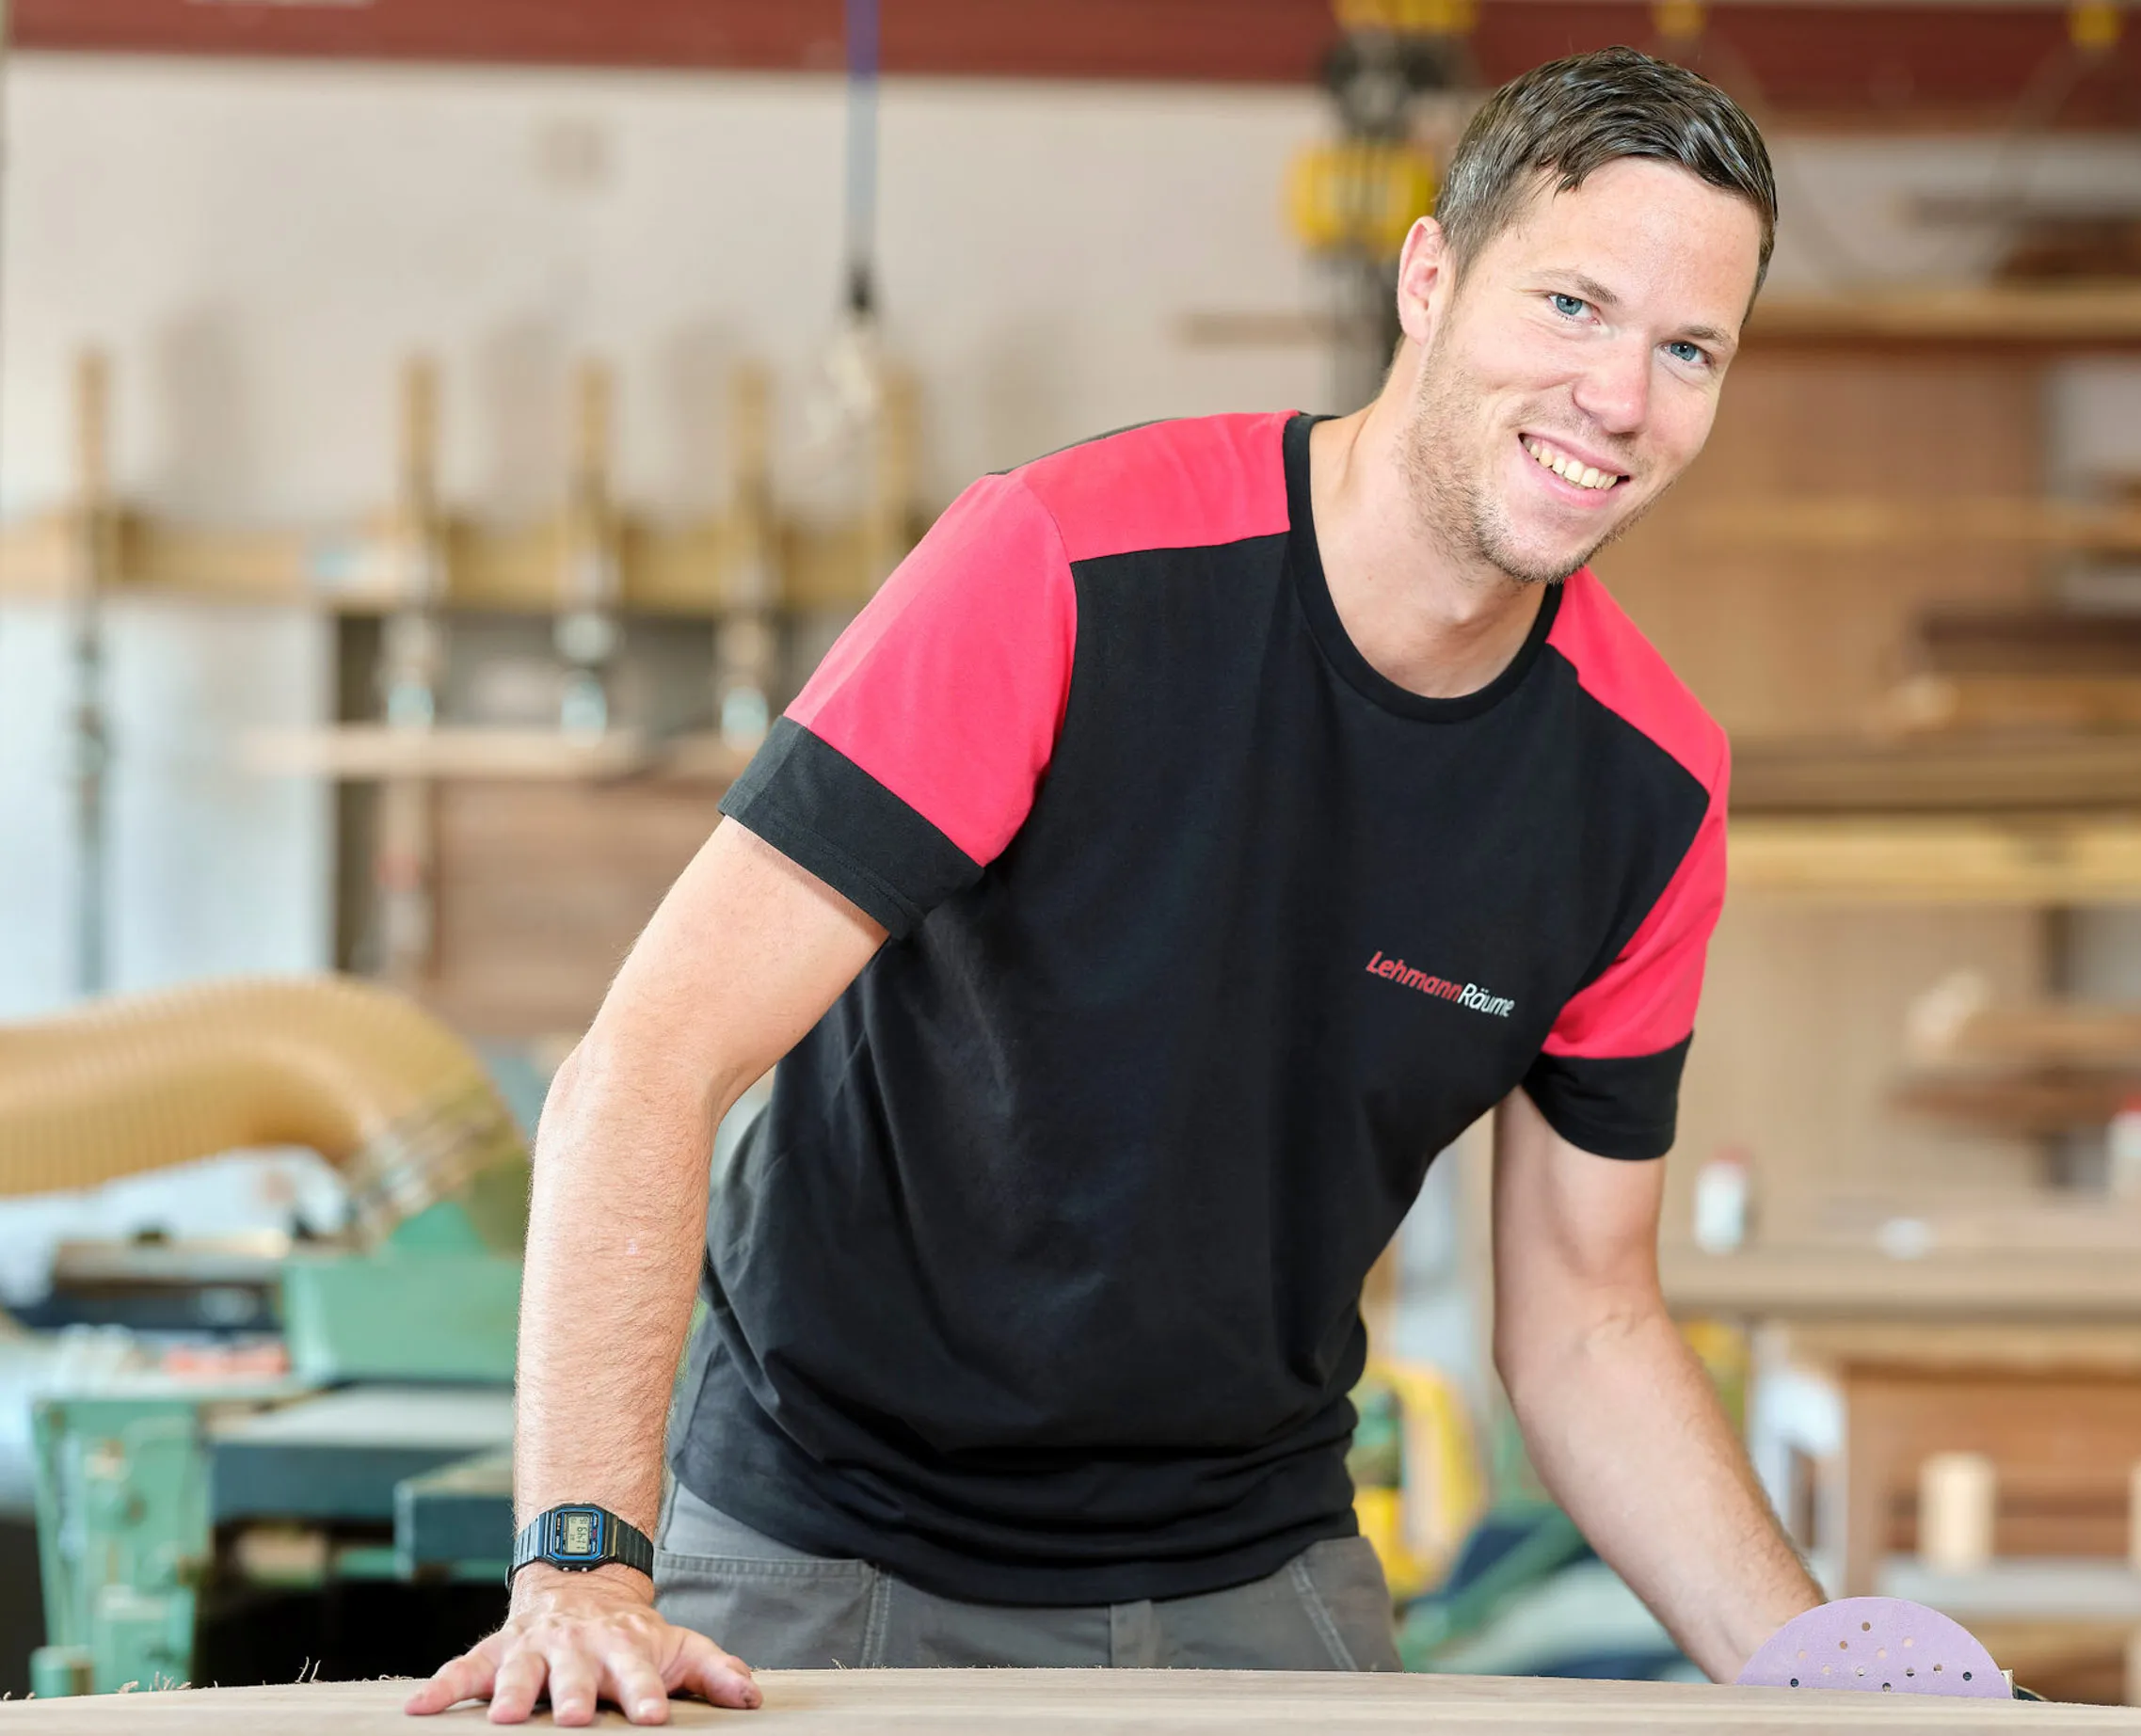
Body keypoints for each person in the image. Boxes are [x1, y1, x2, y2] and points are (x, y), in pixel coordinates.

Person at [407, 46, 1823, 1729]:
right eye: (1574, 306)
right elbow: (643, 1069)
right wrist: (579, 1571)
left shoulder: (1648, 787)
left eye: (1688, 352)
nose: (1619, 399)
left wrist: (1852, 1680)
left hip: (1249, 1561)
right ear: (1429, 279)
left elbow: (1587, 1323)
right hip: (822, 1542)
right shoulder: (1068, 568)